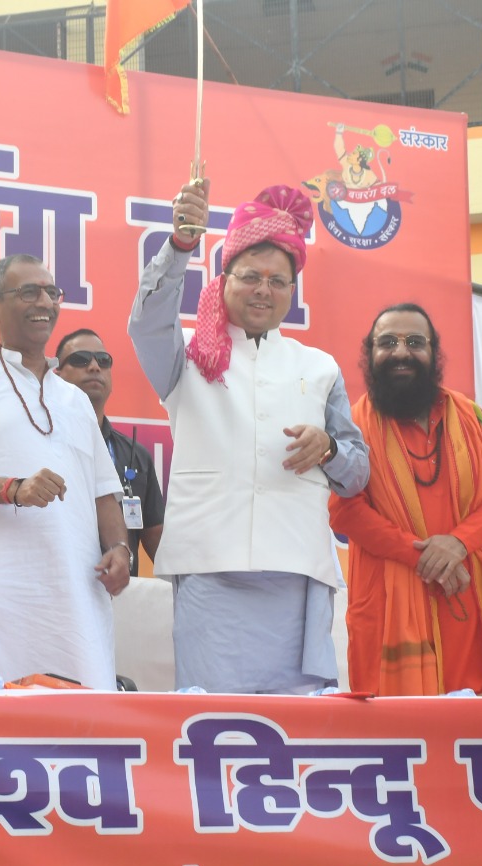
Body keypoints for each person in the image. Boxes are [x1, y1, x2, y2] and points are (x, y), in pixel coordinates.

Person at [127, 181, 370, 694]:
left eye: (278, 281)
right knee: (215, 718)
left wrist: (327, 449)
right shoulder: (188, 353)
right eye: (251, 277)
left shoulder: (318, 366)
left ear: (292, 292)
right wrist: (181, 245)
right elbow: (147, 322)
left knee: (299, 721)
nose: (264, 289)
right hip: (211, 569)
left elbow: (356, 472)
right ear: (224, 280)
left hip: (297, 571)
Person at [0, 255, 130, 689]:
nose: (45, 303)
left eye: (52, 293)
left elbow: (103, 491)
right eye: (29, 292)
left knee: (83, 716)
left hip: (76, 598)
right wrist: (13, 489)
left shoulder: (74, 399)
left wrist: (118, 548)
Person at [330, 304, 482, 694]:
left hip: (470, 593)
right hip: (391, 600)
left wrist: (458, 543)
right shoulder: (353, 425)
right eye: (387, 342)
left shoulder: (469, 415)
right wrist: (424, 557)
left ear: (433, 351)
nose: (401, 352)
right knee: (405, 722)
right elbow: (345, 511)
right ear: (369, 352)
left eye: (415, 342)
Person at [52, 327, 164, 576]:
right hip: (59, 586)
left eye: (103, 360)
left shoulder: (136, 455)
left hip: (119, 590)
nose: (94, 367)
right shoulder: (40, 441)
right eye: (80, 359)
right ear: (56, 375)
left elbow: (156, 538)